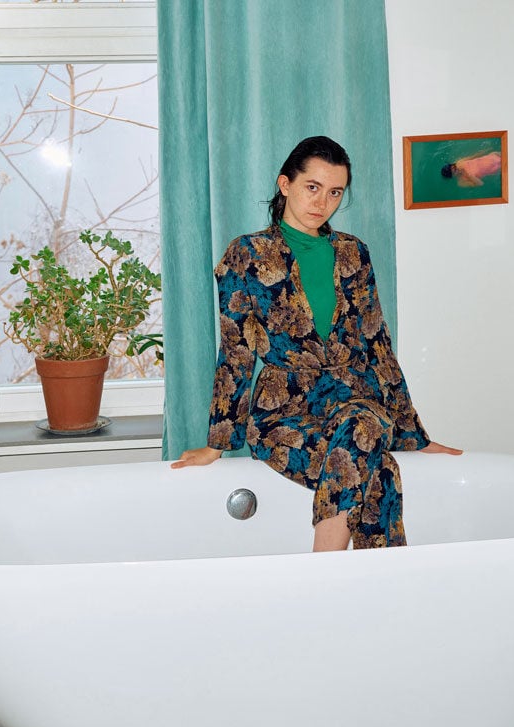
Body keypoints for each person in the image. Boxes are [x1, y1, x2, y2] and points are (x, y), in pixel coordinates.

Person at [172, 135, 461, 551]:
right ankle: (366, 592)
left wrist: (413, 432)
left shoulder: (353, 253)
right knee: (376, 474)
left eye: (334, 192)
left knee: (361, 427)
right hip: (282, 412)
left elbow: (377, 346)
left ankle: (324, 574)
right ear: (285, 184)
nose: (322, 202)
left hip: (355, 402)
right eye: (312, 187)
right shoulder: (247, 253)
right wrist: (219, 444)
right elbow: (235, 353)